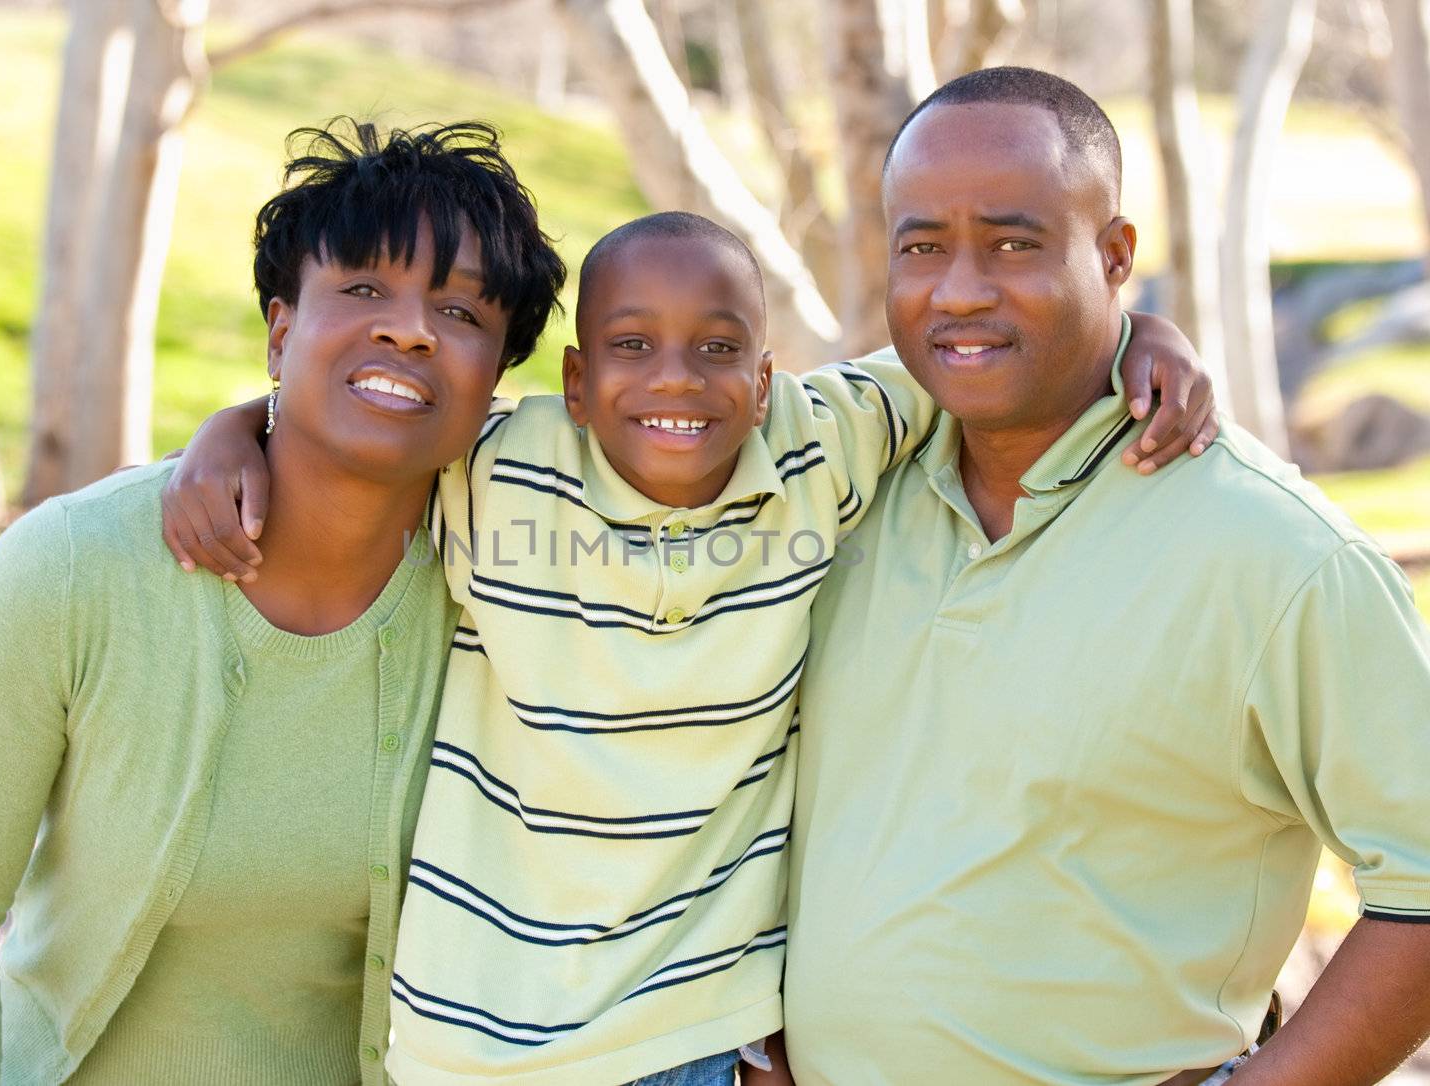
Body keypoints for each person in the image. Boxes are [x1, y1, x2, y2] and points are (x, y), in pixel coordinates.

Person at [162, 209, 1216, 1081]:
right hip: (472, 1039)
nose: (675, 379)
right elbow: (362, 414)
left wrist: (1136, 334)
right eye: (630, 347)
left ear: (763, 382)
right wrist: (231, 433)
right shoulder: (495, 466)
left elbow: (980, 346)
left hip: (698, 1035)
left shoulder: (819, 444)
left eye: (717, 350)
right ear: (575, 384)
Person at [783, 66, 1430, 1085]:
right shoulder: (834, 494)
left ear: (1115, 254)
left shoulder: (1277, 558)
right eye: (921, 247)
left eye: (1013, 243)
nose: (957, 289)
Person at [0, 120, 566, 1086]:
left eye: (461, 314)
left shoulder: (512, 595)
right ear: (281, 331)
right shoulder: (76, 569)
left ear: (496, 381)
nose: (410, 327)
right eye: (365, 287)